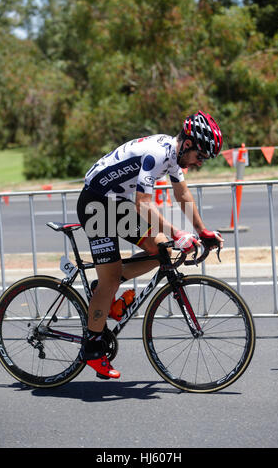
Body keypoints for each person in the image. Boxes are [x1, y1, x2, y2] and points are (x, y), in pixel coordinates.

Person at [77, 110, 224, 379]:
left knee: (163, 250)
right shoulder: (157, 153)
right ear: (188, 143)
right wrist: (178, 232)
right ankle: (92, 347)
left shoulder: (173, 156)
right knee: (111, 278)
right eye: (201, 156)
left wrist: (202, 232)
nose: (201, 162)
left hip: (115, 204)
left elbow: (182, 193)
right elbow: (143, 203)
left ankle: (105, 294)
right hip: (96, 203)